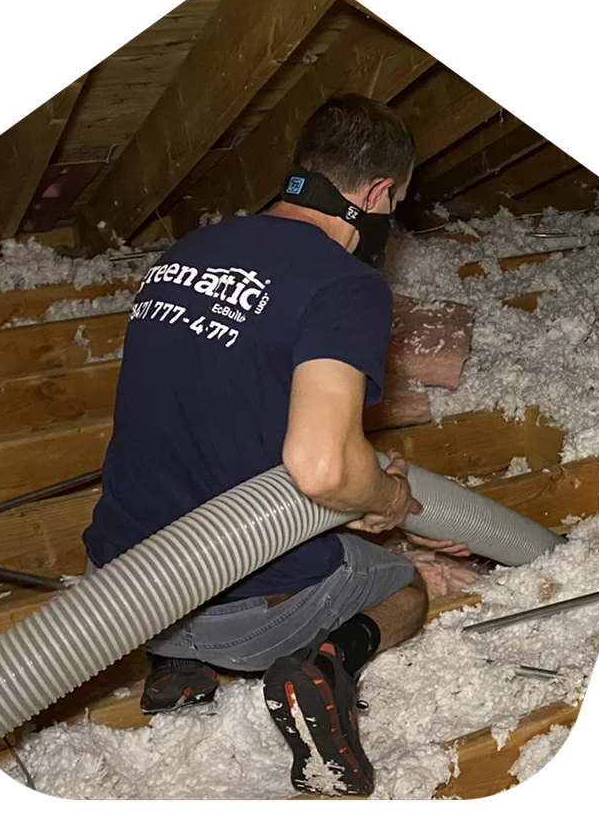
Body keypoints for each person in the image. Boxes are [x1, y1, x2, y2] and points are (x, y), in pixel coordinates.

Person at [81, 93, 469, 797]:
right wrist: (385, 502)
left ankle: (178, 669)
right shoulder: (345, 284)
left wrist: (354, 497)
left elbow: (230, 434)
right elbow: (318, 467)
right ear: (378, 192)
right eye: (396, 204)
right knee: (404, 587)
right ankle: (322, 666)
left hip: (127, 598)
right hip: (247, 618)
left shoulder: (189, 251)